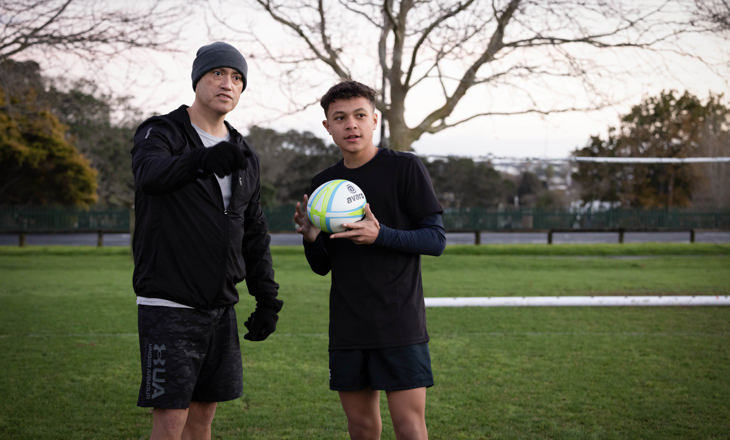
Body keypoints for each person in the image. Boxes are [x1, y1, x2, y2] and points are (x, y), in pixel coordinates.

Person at [131, 41, 283, 440]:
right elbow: (150, 175)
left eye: (236, 78)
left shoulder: (243, 151)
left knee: (203, 418)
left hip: (220, 307)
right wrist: (201, 161)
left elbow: (253, 231)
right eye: (218, 73)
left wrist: (266, 298)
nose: (227, 83)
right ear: (198, 78)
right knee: (170, 419)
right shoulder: (161, 132)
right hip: (169, 302)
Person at [293, 80, 446, 440]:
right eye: (340, 118)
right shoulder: (324, 185)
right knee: (361, 427)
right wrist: (312, 238)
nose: (351, 125)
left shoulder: (405, 168)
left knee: (409, 427)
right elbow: (322, 265)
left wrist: (381, 235)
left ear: (374, 120)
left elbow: (436, 239)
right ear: (327, 126)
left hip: (399, 322)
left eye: (360, 115)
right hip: (349, 325)